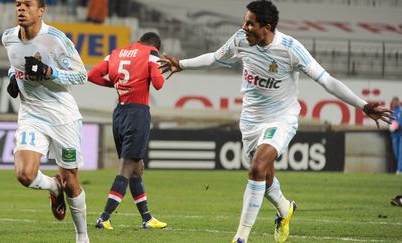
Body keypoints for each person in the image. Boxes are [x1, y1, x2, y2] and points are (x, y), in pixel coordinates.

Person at [159, 1, 393, 242]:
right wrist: (182, 64)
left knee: (257, 168)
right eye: (244, 22)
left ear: (266, 27)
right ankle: (285, 208)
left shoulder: (291, 48)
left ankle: (240, 238)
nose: (244, 27)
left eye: (250, 23)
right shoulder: (241, 39)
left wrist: (362, 105)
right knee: (265, 177)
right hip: (250, 120)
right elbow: (216, 58)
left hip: (281, 118)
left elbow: (327, 80)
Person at [1, 1, 89, 242]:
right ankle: (53, 187)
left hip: (63, 117)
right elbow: (14, 63)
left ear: (41, 11)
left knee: (71, 182)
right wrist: (11, 76)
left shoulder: (56, 39)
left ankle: (82, 236)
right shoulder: (8, 37)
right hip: (31, 114)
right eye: (18, 4)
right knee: (24, 175)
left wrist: (52, 73)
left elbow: (82, 75)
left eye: (27, 5)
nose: (21, 8)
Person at [87, 32, 167, 230]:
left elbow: (92, 75)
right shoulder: (151, 54)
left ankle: (147, 218)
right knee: (128, 166)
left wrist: (114, 83)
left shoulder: (117, 53)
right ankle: (104, 217)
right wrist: (161, 65)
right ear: (156, 46)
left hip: (119, 114)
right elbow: (158, 84)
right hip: (137, 114)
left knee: (137, 167)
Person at [389, 97, 402, 174]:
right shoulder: (392, 112)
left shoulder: (400, 111)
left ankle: (399, 170)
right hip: (394, 135)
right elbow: (390, 122)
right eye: (394, 102)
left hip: (400, 134)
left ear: (398, 102)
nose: (395, 103)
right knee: (396, 154)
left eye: (396, 102)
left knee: (401, 153)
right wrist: (391, 126)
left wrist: (398, 125)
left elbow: (400, 122)